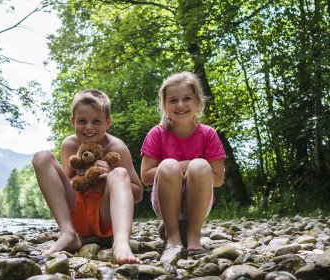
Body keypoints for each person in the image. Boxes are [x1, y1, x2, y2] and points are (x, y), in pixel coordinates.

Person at [32, 89, 143, 264]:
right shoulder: (70, 145)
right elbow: (61, 187)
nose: (89, 128)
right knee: (42, 157)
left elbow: (138, 194)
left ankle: (121, 243)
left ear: (108, 123)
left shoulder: (117, 148)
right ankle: (68, 234)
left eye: (97, 121)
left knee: (120, 173)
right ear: (72, 121)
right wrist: (81, 180)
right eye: (82, 121)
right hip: (78, 214)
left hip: (104, 215)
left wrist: (110, 177)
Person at [140, 72, 226, 261]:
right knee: (169, 166)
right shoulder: (157, 133)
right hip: (165, 202)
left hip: (199, 202)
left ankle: (194, 236)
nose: (180, 105)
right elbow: (146, 176)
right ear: (164, 105)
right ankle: (173, 236)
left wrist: (190, 165)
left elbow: (218, 180)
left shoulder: (208, 134)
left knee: (200, 166)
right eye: (173, 100)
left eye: (186, 98)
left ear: (198, 101)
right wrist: (179, 167)